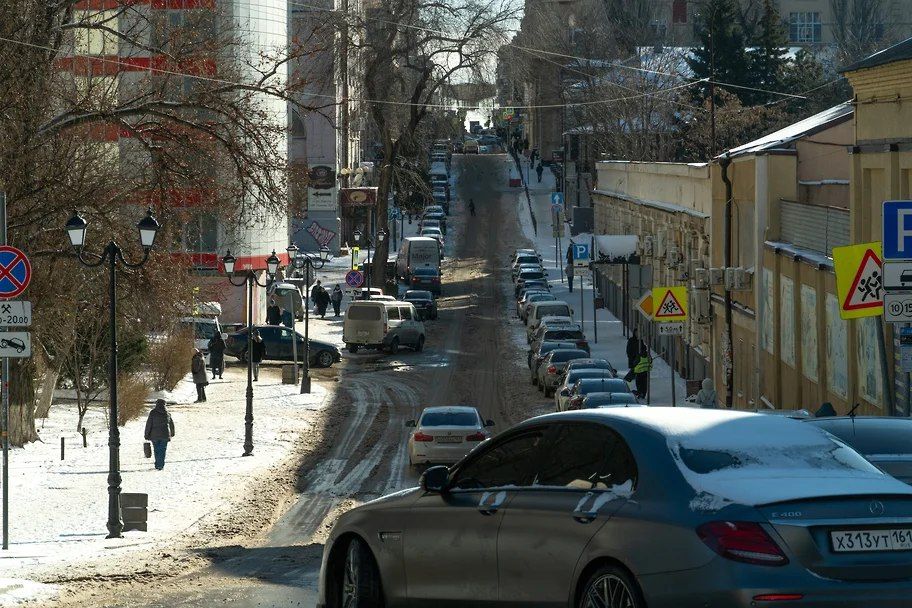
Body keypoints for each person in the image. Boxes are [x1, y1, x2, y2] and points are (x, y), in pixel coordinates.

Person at [144, 399, 175, 470]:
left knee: (156, 449)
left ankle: (157, 463)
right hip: (165, 435)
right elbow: (171, 424)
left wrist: (146, 434)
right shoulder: (167, 413)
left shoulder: (153, 413)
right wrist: (172, 433)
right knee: (163, 450)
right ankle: (161, 464)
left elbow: (149, 424)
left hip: (154, 435)